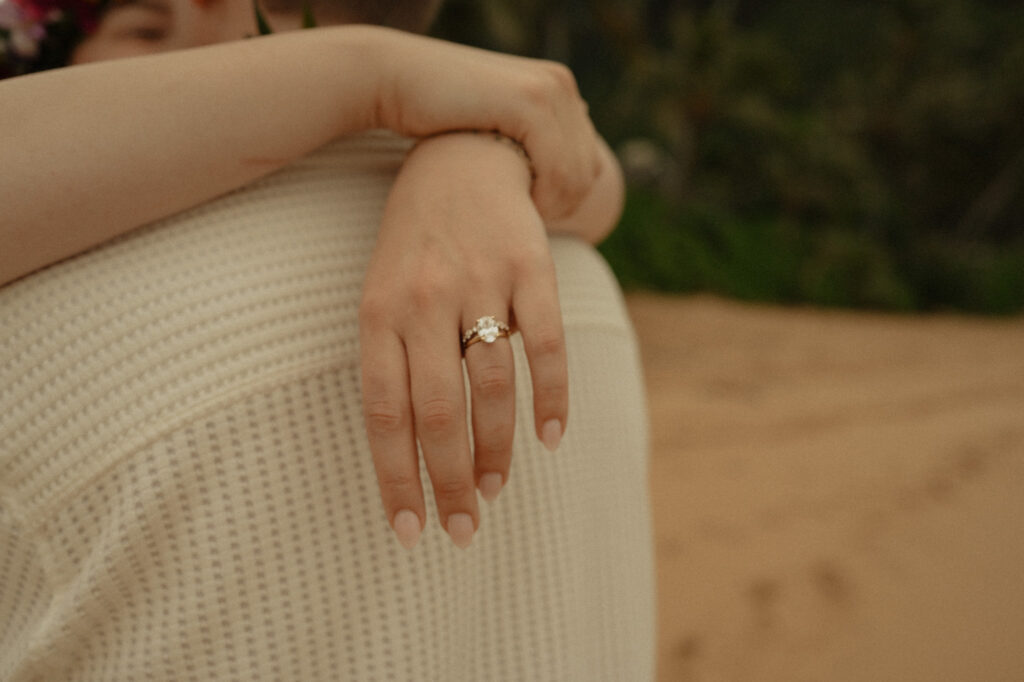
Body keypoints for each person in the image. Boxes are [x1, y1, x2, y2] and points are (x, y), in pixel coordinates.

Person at [0, 0, 657, 679]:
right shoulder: (569, 273)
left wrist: (463, 130)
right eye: (144, 30)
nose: (221, 54)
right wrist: (449, 114)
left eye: (265, 21)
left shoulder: (37, 359)